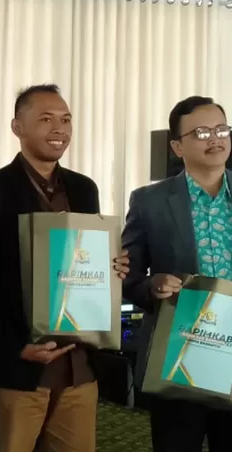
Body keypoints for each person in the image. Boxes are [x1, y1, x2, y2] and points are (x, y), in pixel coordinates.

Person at [0, 84, 129, 452]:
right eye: (46, 119)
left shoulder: (84, 188)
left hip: (78, 367)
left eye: (66, 120)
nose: (59, 129)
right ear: (17, 127)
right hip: (19, 370)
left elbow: (85, 262)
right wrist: (13, 348)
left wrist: (112, 266)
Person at [122, 96, 232, 452]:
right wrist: (152, 286)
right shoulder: (149, 201)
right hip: (177, 355)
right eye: (201, 132)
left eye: (221, 130)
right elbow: (127, 275)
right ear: (177, 146)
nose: (215, 139)